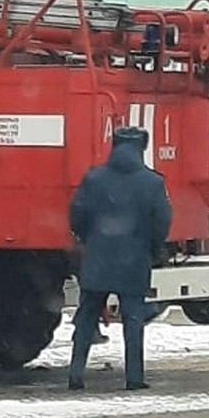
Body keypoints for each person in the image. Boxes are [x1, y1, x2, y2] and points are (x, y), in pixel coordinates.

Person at [67, 126, 173, 391]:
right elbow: (162, 221)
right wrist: (152, 247)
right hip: (134, 258)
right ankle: (134, 378)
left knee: (87, 315)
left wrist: (86, 237)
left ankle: (75, 375)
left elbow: (77, 212)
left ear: (114, 146)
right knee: (133, 319)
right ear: (141, 149)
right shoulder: (153, 182)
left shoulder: (93, 179)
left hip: (98, 255)